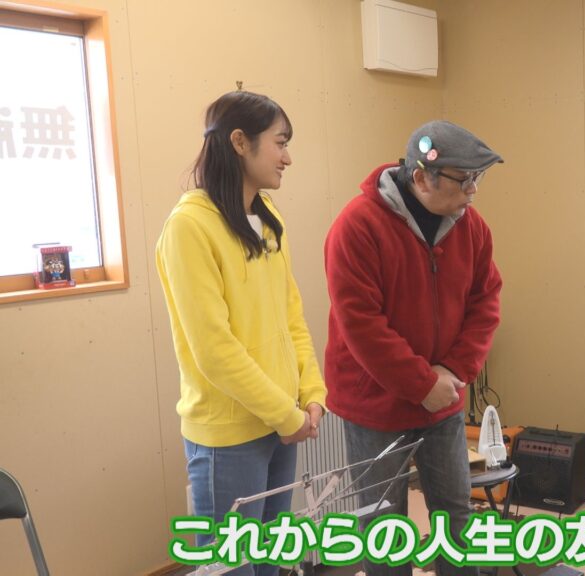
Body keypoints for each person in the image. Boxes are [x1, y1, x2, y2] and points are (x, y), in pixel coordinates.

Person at [156, 91, 327, 576]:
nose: (287, 158)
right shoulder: (189, 227)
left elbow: (292, 317)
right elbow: (215, 350)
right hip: (229, 437)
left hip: (280, 426)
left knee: (270, 564)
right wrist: (287, 415)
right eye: (280, 143)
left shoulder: (268, 219)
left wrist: (311, 392)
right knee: (231, 569)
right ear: (239, 142)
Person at [324, 120, 503, 576]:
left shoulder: (471, 227)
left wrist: (454, 371)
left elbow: (486, 300)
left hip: (443, 397)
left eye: (477, 178)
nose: (473, 191)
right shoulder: (357, 226)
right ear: (422, 177)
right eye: (464, 180)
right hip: (375, 404)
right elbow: (361, 324)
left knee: (456, 517)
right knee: (384, 528)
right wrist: (422, 383)